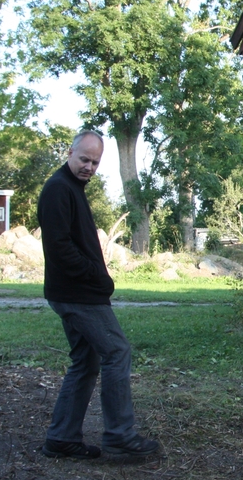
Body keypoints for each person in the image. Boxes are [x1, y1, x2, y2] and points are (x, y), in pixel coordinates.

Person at [38, 130, 159, 459]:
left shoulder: (71, 188)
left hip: (75, 292)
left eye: (95, 162)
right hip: (77, 295)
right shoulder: (58, 189)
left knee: (86, 361)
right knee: (117, 352)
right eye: (84, 159)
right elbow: (60, 249)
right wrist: (97, 277)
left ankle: (62, 438)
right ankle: (120, 437)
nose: (89, 167)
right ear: (69, 152)